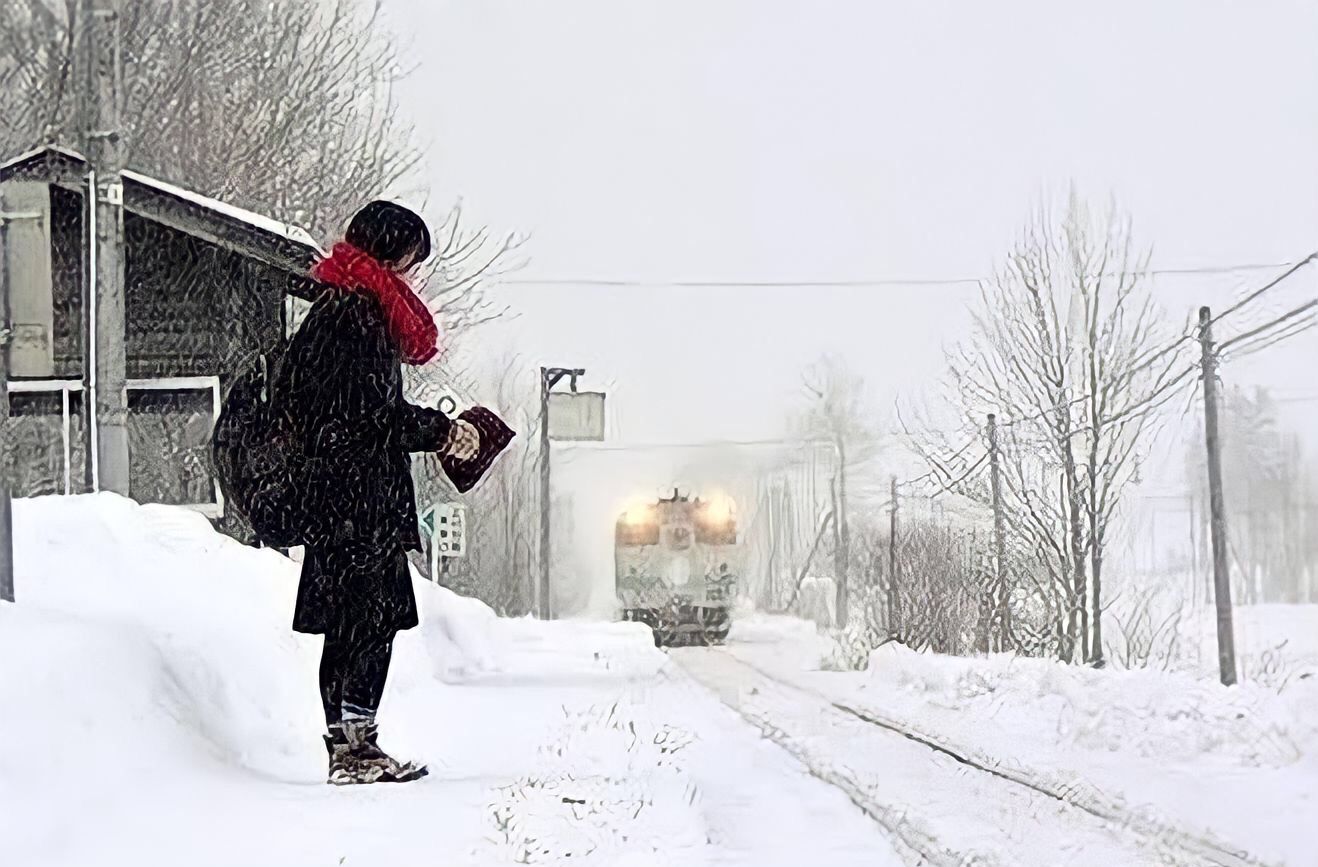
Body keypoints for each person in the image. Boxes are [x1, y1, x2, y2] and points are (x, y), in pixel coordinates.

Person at [278, 200, 480, 785]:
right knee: (370, 623)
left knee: (347, 625)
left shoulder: (331, 310)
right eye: (411, 259)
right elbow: (373, 415)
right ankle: (358, 752)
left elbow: (333, 411)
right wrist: (444, 431)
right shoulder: (360, 316)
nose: (412, 274)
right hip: (360, 502)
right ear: (392, 251)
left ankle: (346, 747)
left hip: (332, 501)